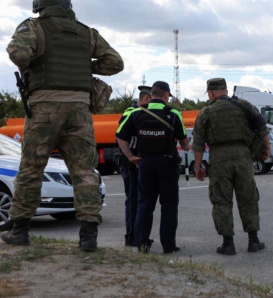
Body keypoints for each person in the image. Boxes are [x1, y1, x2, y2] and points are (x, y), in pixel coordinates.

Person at [1, 0, 124, 252]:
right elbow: (115, 62)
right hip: (80, 110)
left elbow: (19, 54)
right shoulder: (87, 32)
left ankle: (20, 231)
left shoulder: (33, 27)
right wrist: (84, 65)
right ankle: (88, 237)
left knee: (31, 169)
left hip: (44, 107)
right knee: (85, 171)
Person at [192, 78, 270, 255]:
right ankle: (253, 241)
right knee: (248, 198)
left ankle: (228, 244)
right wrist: (267, 149)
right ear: (225, 90)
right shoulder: (244, 105)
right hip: (243, 157)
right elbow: (263, 128)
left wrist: (198, 167)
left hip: (219, 159)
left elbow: (198, 143)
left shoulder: (206, 112)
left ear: (211, 92)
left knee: (221, 201)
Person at [116, 81, 189, 254]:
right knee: (169, 205)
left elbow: (120, 136)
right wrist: (187, 146)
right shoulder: (173, 114)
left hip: (144, 163)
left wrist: (130, 157)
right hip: (167, 163)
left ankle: (142, 244)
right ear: (165, 95)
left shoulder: (136, 113)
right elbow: (184, 143)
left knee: (144, 204)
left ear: (152, 94)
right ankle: (168, 245)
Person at [118, 85, 152, 246]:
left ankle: (140, 235)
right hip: (131, 165)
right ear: (146, 98)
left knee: (142, 200)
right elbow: (120, 137)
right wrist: (130, 156)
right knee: (133, 201)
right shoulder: (130, 113)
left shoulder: (143, 113)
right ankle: (131, 236)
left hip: (141, 164)